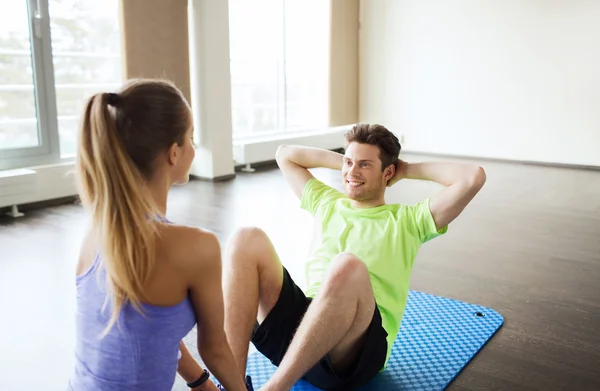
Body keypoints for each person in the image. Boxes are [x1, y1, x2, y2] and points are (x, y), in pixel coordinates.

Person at [222, 124, 486, 391]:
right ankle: (232, 385)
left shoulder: (408, 221)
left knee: (346, 265)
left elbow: (472, 177)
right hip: (300, 333)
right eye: (349, 163)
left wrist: (404, 170)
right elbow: (285, 154)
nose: (352, 172)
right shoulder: (327, 201)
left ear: (388, 172)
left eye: (365, 165)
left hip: (352, 353)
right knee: (245, 238)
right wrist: (350, 161)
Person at [68, 79, 252, 391]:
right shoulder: (196, 247)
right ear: (174, 153)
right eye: (190, 138)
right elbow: (215, 349)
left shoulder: (98, 229)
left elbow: (149, 326)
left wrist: (200, 382)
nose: (194, 148)